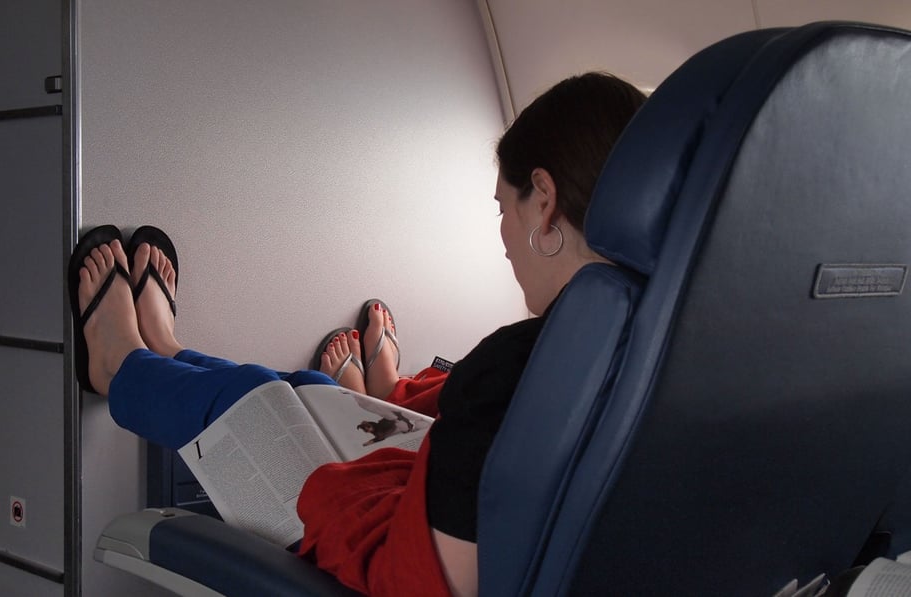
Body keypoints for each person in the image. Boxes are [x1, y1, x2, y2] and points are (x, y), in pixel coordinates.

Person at [70, 71, 646, 597]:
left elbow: (413, 582)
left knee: (253, 409)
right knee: (295, 390)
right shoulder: (656, 341)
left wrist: (335, 487)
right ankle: (167, 351)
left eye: (504, 208)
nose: (502, 235)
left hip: (379, 556)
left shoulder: (521, 368)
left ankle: (118, 361)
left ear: (543, 202)